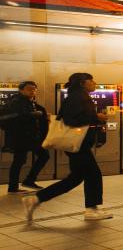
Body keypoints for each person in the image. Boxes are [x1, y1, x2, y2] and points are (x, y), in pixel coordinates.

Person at [22, 73, 111, 221]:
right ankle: (91, 209)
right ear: (83, 83)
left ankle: (36, 199)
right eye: (91, 80)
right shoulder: (77, 97)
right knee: (93, 174)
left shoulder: (77, 96)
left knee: (75, 178)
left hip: (78, 144)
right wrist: (97, 117)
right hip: (78, 144)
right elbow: (72, 120)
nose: (94, 83)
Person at [3, 81, 49, 193]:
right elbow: (14, 117)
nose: (32, 91)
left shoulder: (30, 102)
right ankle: (15, 186)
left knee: (42, 156)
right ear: (21, 90)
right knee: (19, 160)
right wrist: (33, 115)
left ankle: (27, 181)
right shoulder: (15, 102)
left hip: (31, 137)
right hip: (20, 137)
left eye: (34, 88)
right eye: (29, 89)